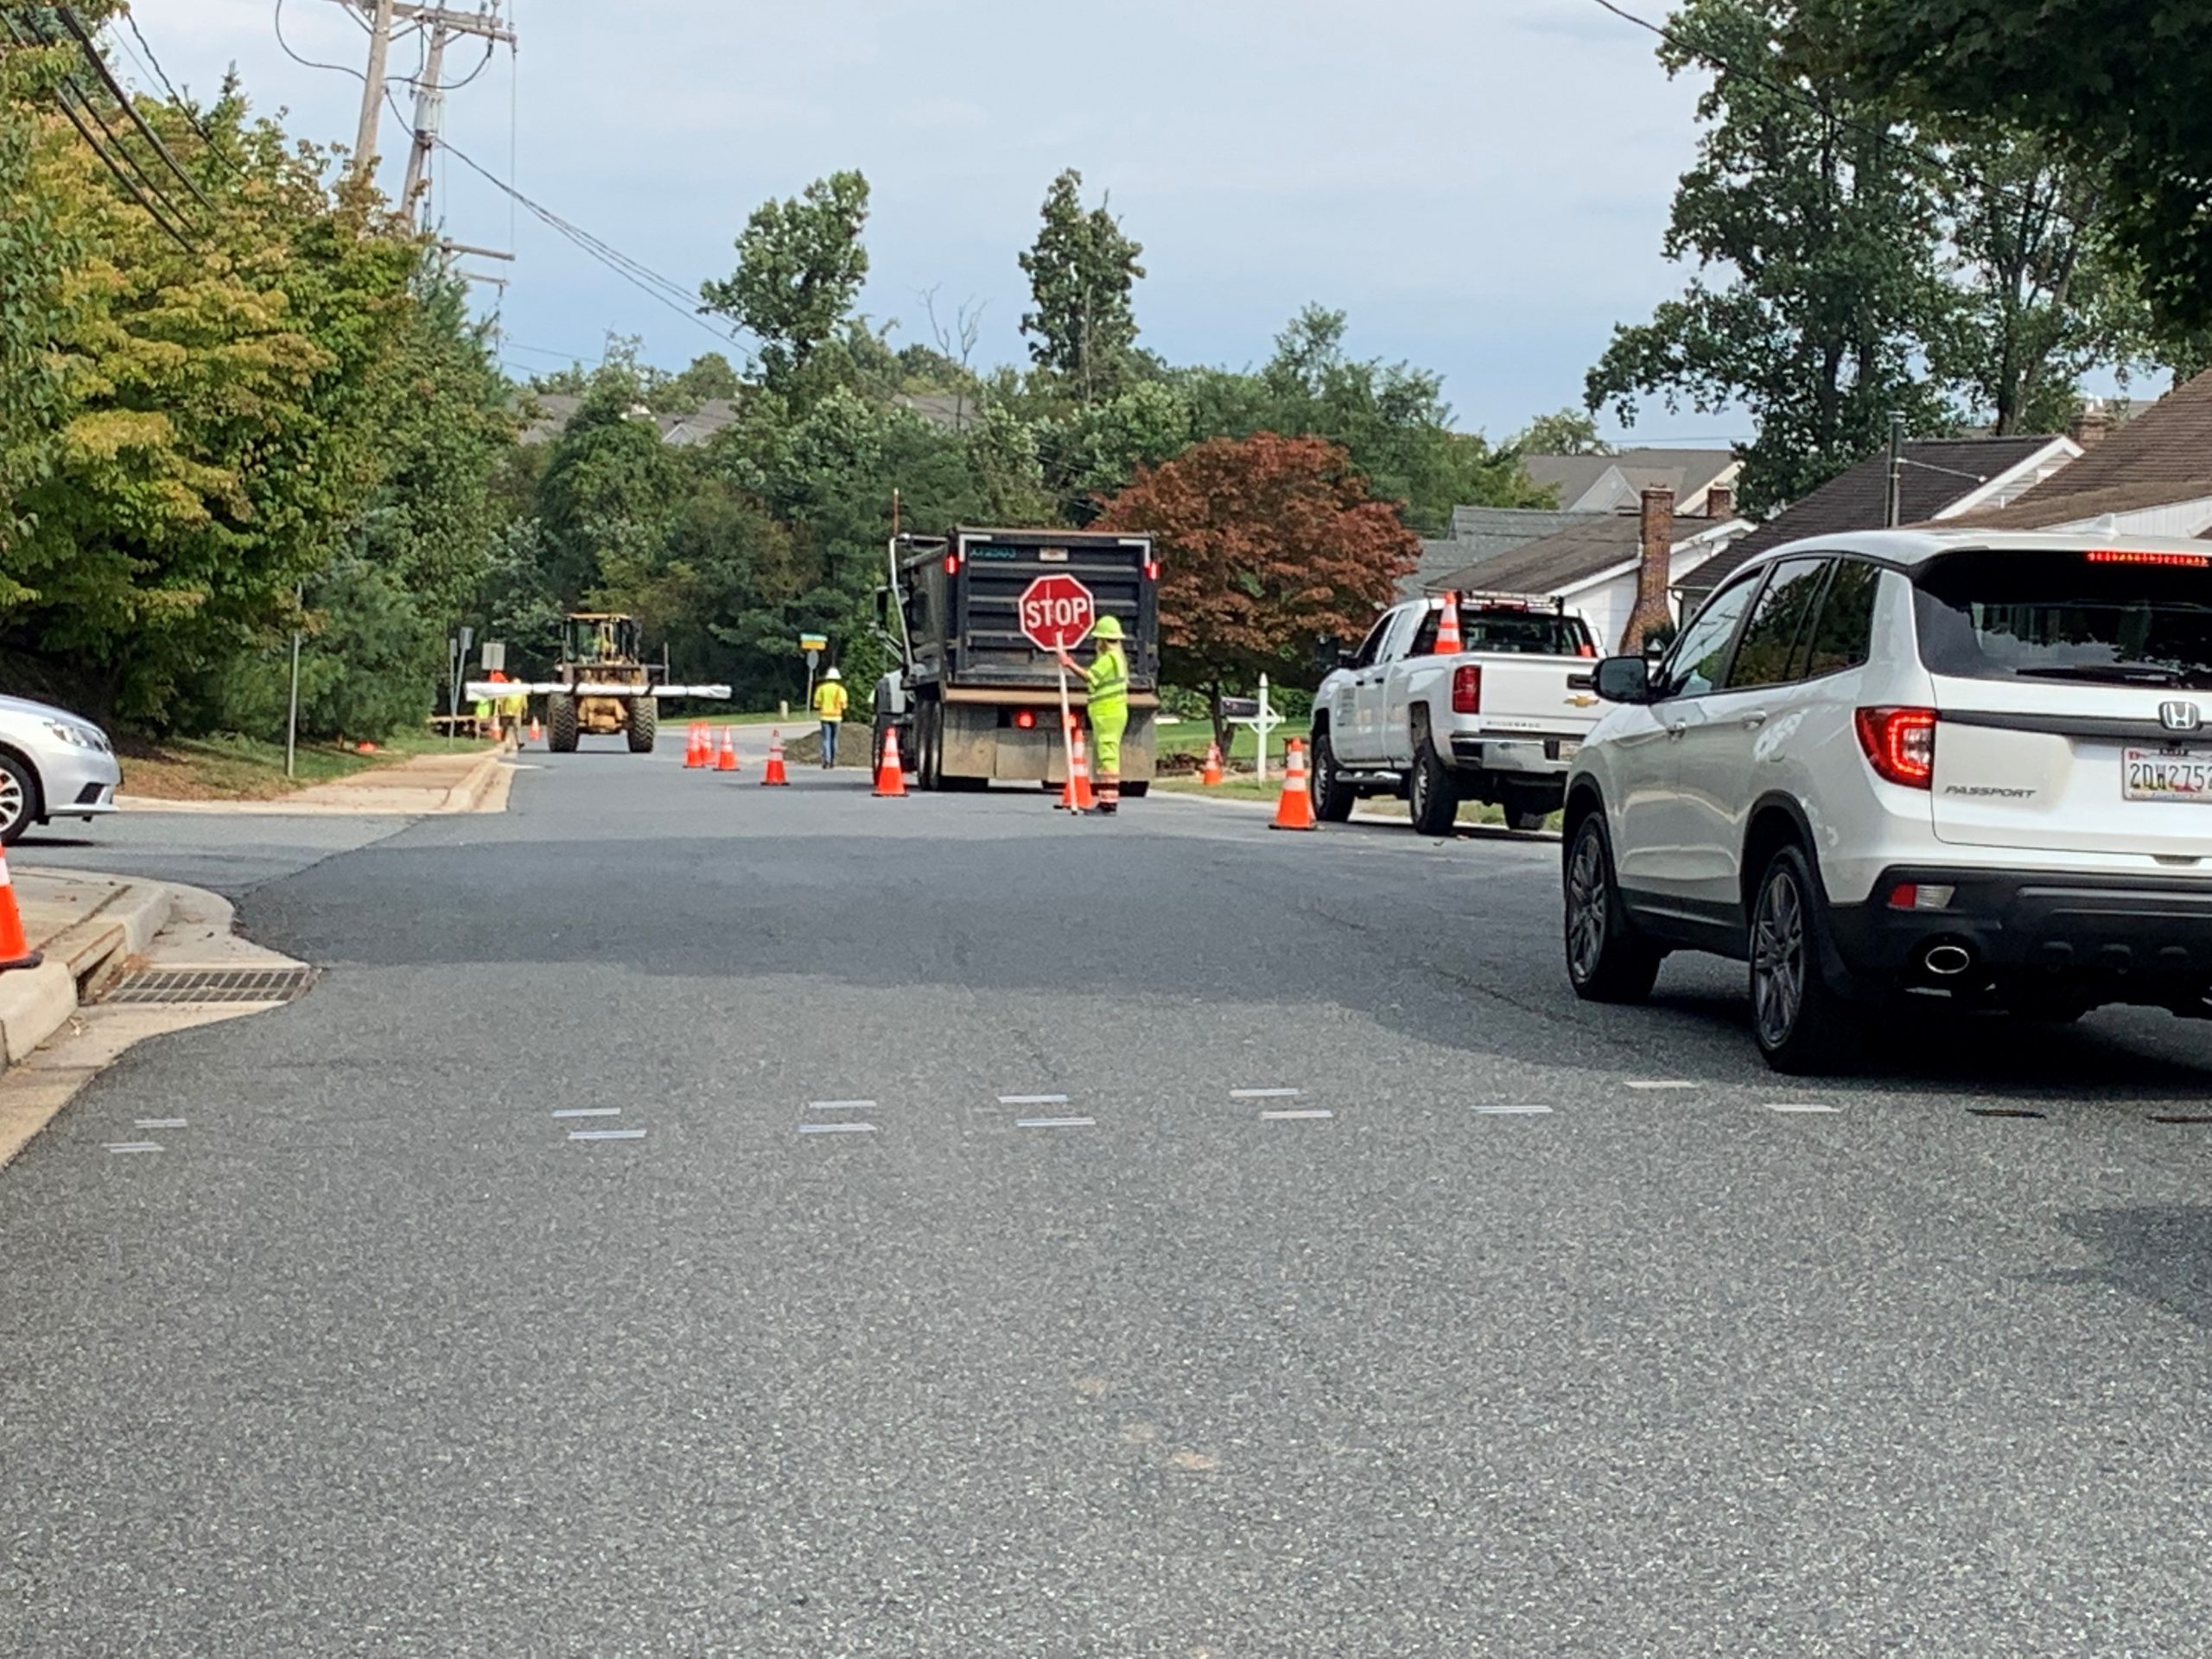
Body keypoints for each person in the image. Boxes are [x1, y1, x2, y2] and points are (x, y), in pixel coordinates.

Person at [1057, 615, 1129, 815]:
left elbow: (1091, 677)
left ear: (1103, 640)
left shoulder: (1108, 659)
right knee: (1107, 755)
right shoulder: (1119, 659)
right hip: (1111, 712)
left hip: (1108, 713)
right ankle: (1107, 801)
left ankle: (1108, 803)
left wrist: (1068, 663)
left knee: (1107, 757)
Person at [812, 666, 849, 768]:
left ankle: (826, 760)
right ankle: (833, 760)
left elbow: (816, 704)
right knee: (834, 739)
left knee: (826, 739)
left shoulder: (821, 689)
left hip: (825, 717)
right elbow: (844, 705)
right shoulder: (840, 690)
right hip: (836, 717)